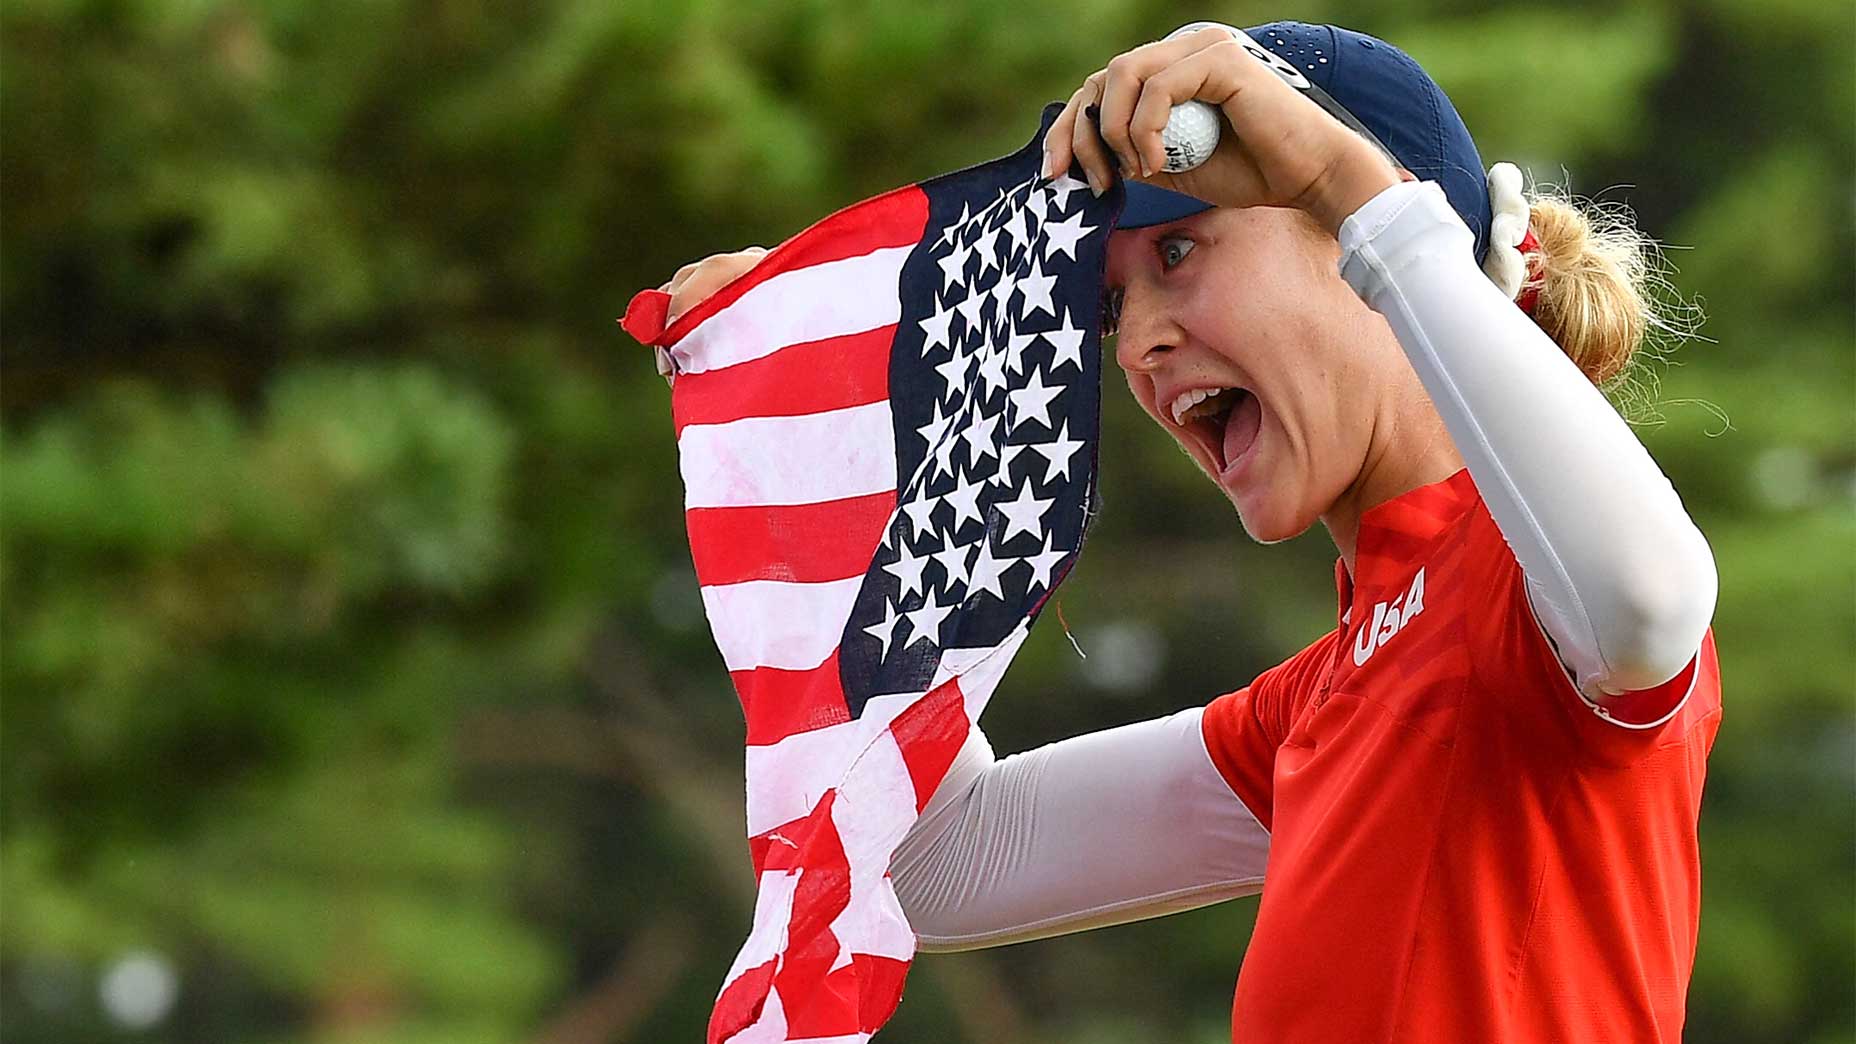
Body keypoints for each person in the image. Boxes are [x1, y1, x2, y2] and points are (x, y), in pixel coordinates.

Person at [653, 21, 1721, 1043]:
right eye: (1114, 306)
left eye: (1177, 250)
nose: (1137, 350)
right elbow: (932, 859)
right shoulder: (1322, 700)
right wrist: (857, 426)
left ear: (1367, 242)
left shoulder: (1532, 602)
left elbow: (1643, 601)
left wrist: (1347, 184)